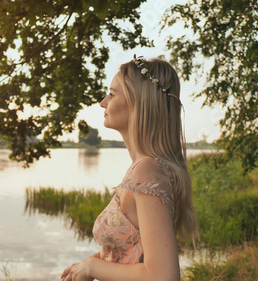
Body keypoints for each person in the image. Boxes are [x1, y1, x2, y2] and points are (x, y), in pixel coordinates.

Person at [61, 55, 199, 281]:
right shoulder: (144, 167)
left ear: (138, 103)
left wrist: (92, 269)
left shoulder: (147, 171)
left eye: (112, 94)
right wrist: (89, 264)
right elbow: (132, 253)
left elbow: (163, 277)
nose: (103, 102)